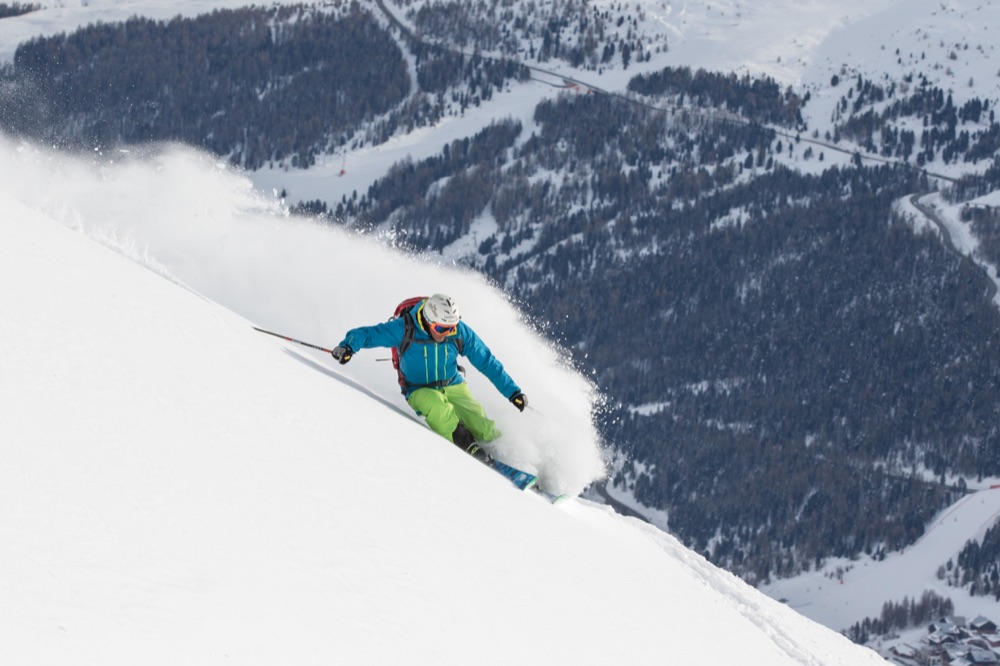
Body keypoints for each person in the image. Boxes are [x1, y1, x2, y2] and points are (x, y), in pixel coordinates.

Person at [330, 294, 528, 455]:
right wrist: (348, 346)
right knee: (440, 411)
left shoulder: (458, 332)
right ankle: (467, 448)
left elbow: (486, 361)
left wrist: (513, 392)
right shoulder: (404, 328)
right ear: (428, 320)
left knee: (480, 423)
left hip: (452, 383)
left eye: (451, 328)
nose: (446, 333)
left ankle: (504, 454)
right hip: (419, 389)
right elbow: (368, 334)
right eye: (441, 328)